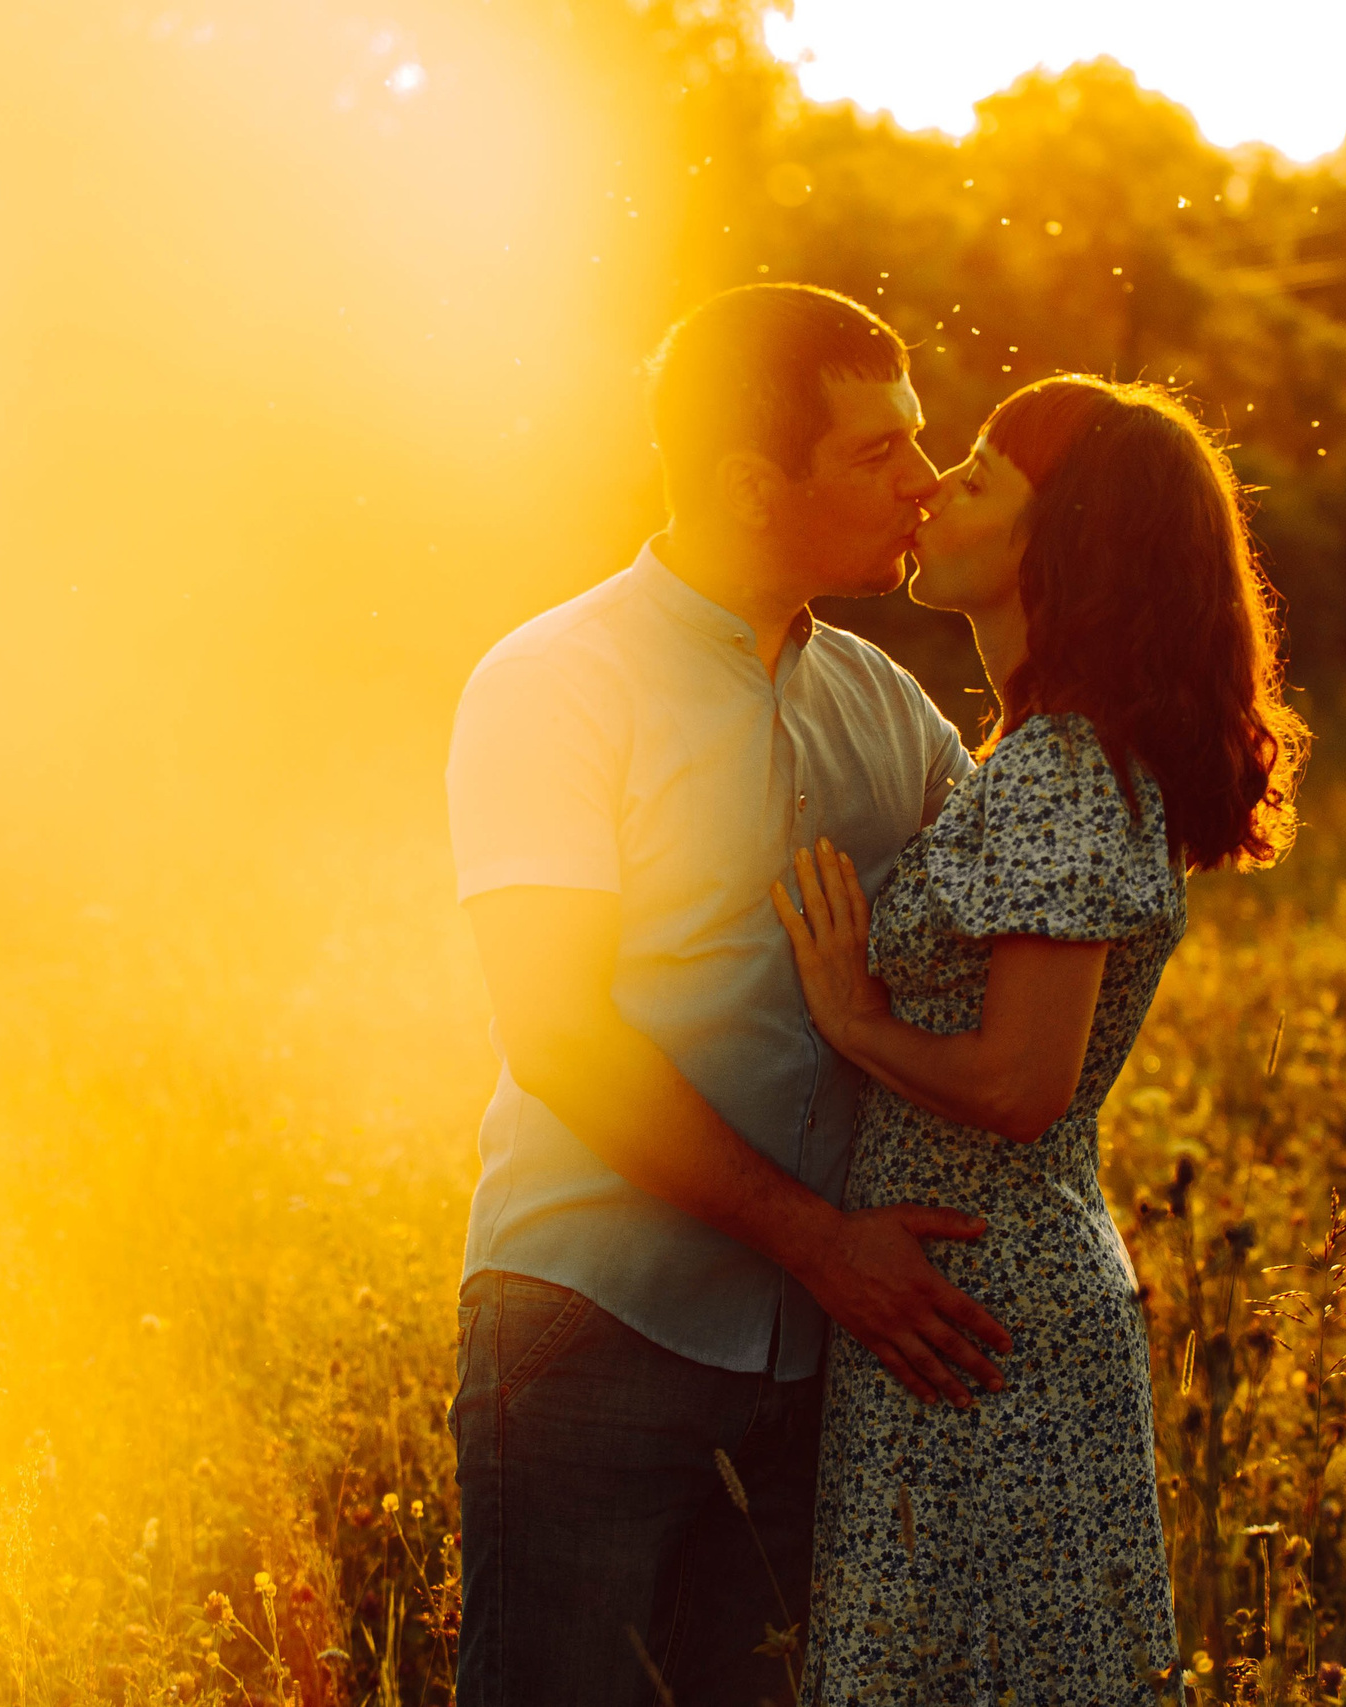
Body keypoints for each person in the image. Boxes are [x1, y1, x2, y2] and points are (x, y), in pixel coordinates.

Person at [444, 284, 1013, 1707]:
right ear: (754, 487)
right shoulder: (555, 683)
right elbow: (557, 1032)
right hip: (593, 1331)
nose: (924, 478)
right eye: (878, 450)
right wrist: (823, 1246)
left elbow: (1016, 928)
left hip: (820, 1367)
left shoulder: (887, 703)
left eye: (920, 439)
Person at [773, 375, 1308, 1703]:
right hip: (962, 1299)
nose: (931, 489)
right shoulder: (1032, 755)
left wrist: (852, 1019)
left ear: (1060, 539)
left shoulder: (1067, 768)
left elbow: (1022, 1083)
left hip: (987, 1307)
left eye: (976, 475)